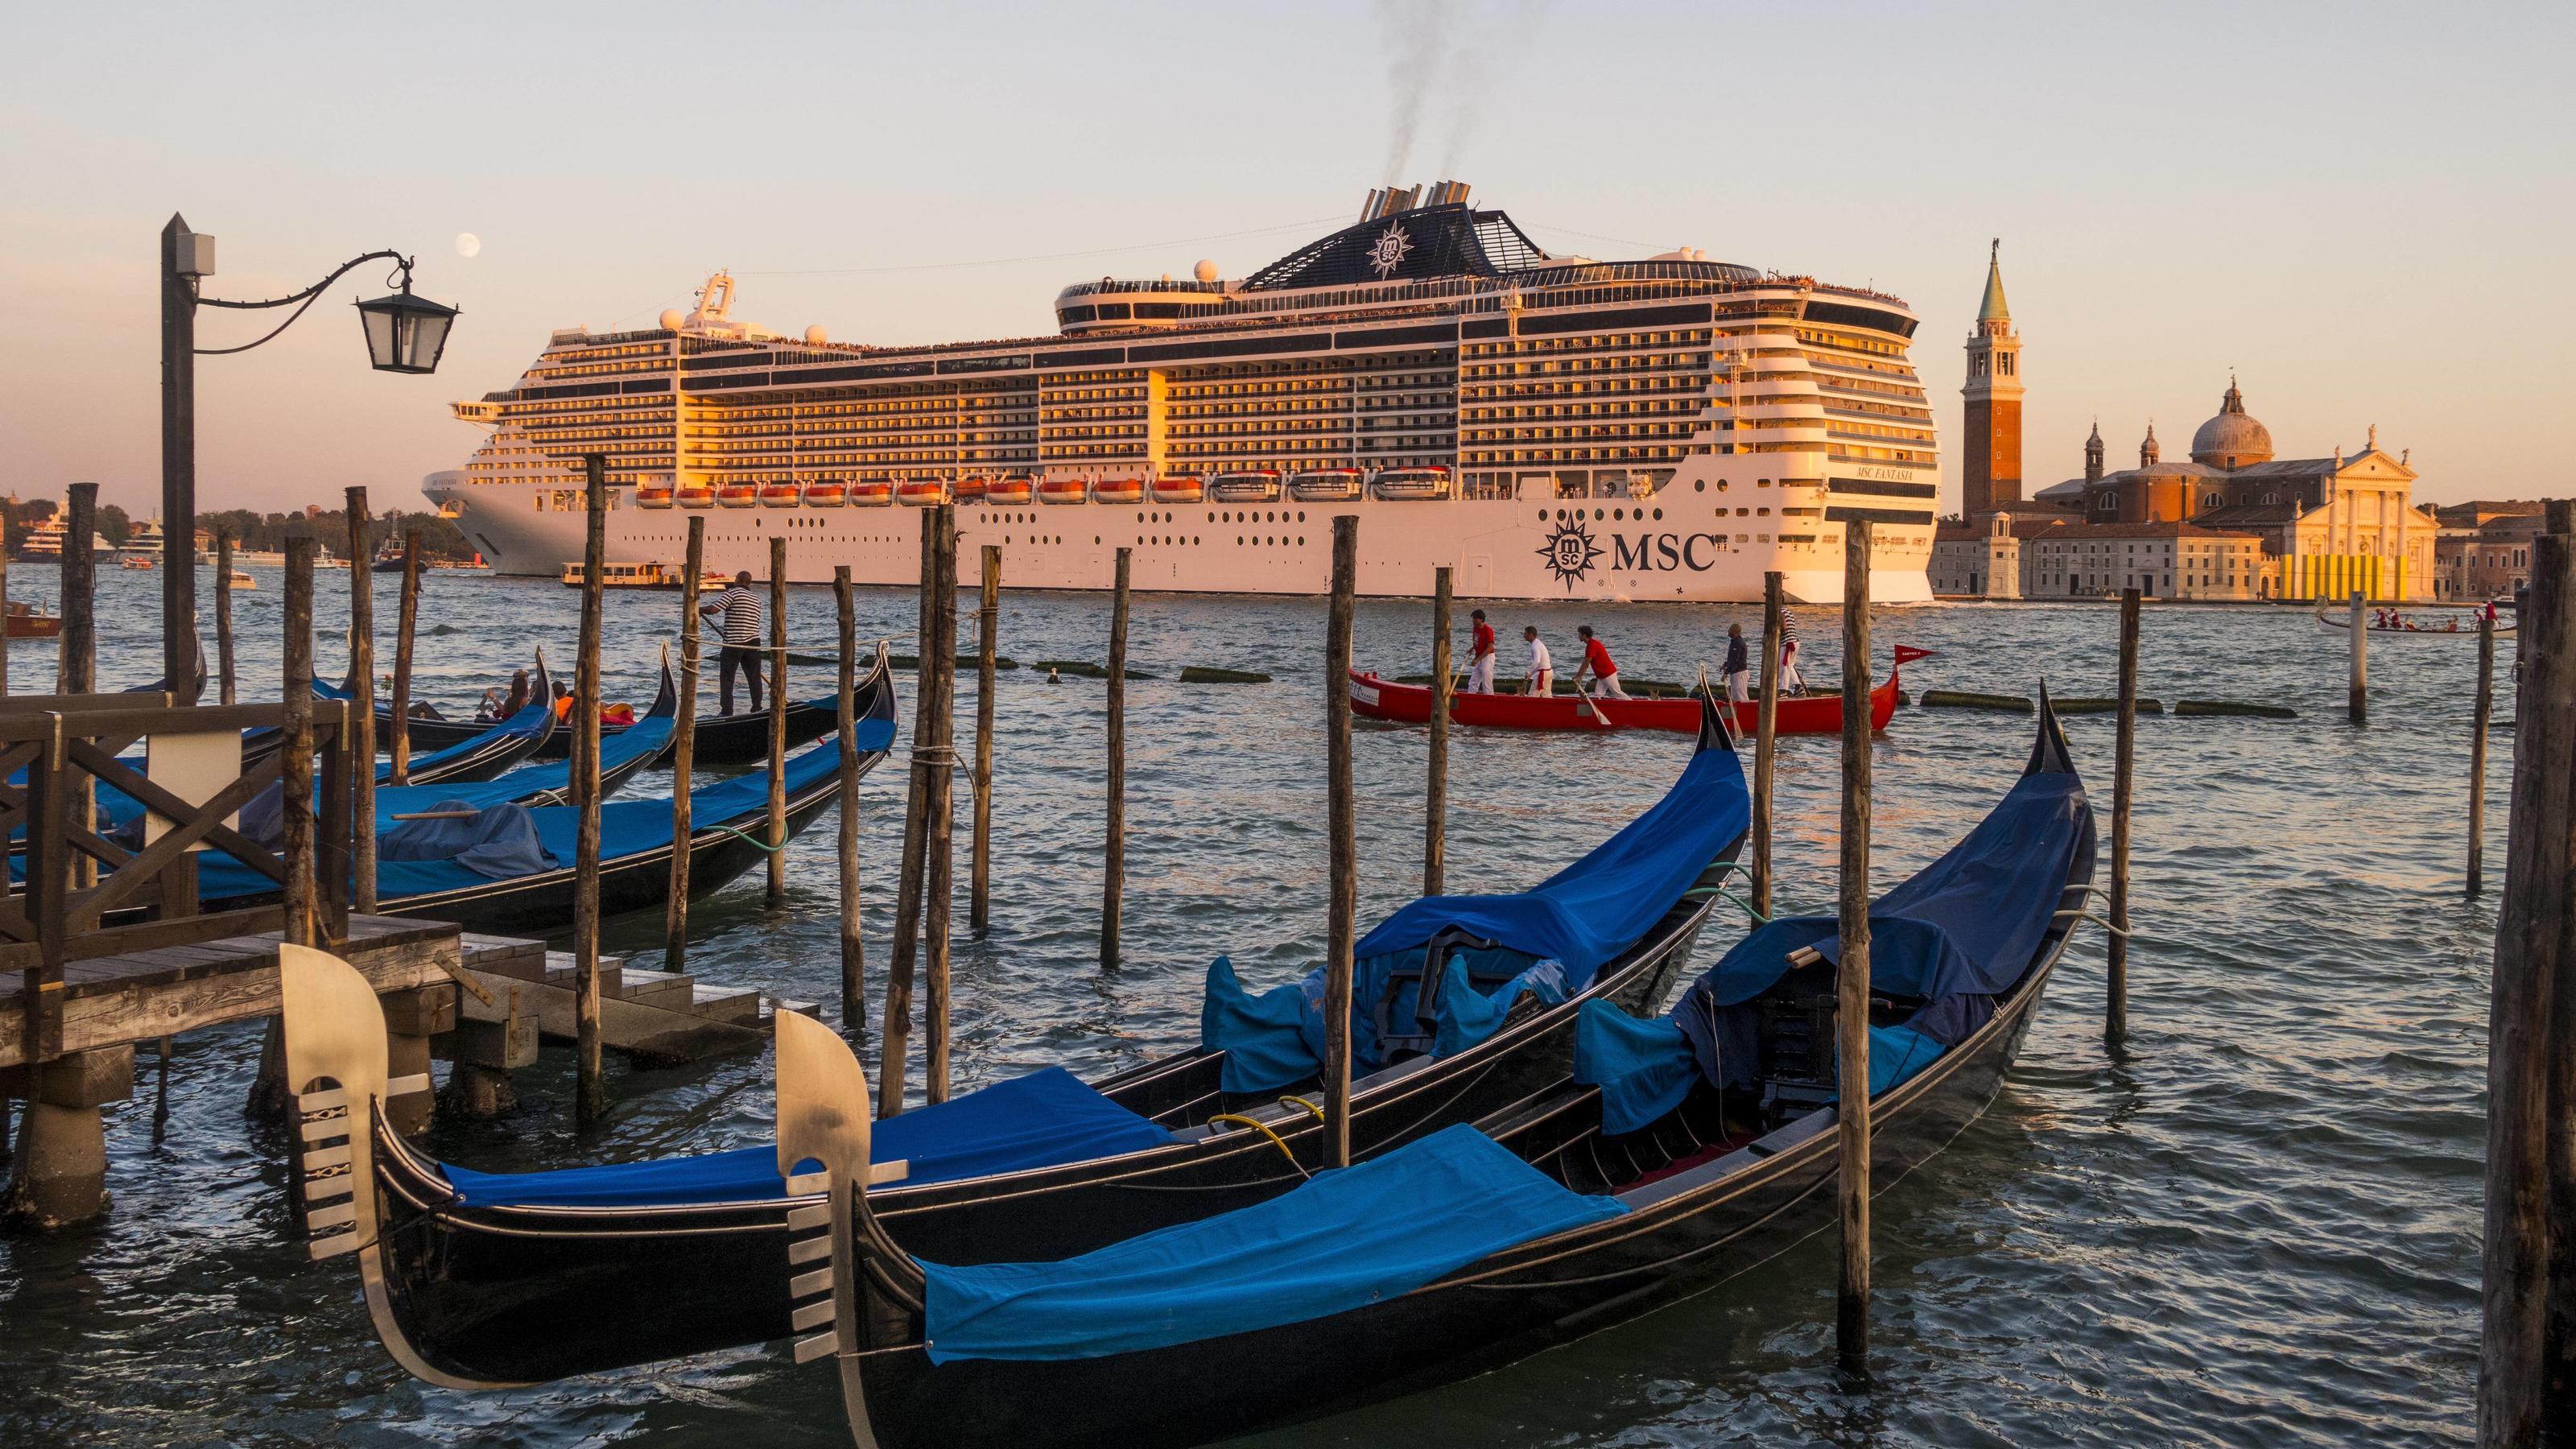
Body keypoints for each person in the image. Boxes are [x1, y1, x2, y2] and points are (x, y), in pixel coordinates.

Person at [701, 570, 766, 715]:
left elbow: (713, 610)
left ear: (737, 580)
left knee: (727, 677)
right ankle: (757, 707)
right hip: (754, 642)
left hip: (734, 643)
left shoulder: (732, 593)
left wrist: (696, 609)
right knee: (754, 677)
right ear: (749, 583)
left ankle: (727, 710)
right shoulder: (756, 598)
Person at [1571, 625, 1627, 698]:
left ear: (1584, 635)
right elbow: (1585, 662)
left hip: (1608, 673)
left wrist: (1579, 677)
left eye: (1579, 634)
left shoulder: (1592, 645)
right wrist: (1578, 676)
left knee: (1618, 693)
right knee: (1598, 695)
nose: (1578, 636)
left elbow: (1586, 664)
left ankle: (1633, 706)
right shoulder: (1591, 644)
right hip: (1602, 675)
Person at [1463, 609, 1497, 694]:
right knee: (1473, 680)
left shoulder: (1488, 630)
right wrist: (1471, 649)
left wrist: (1477, 660)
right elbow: (1477, 642)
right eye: (1473, 618)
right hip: (1479, 656)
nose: (1473, 620)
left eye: (1475, 618)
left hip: (1487, 657)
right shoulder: (1475, 628)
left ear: (1481, 619)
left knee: (1486, 681)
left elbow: (1490, 647)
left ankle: (1489, 699)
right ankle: (1470, 697)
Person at [1778, 606, 1806, 694]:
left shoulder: (1780, 611)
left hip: (1788, 643)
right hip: (1795, 642)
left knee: (1784, 667)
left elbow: (1783, 627)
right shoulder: (1788, 611)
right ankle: (1798, 687)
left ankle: (1783, 691)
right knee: (1789, 666)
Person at [1722, 623, 1751, 704]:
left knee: (1740, 698)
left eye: (1730, 629)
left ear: (1734, 631)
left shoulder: (1738, 643)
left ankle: (1744, 713)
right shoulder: (1734, 642)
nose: (1728, 630)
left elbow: (1735, 660)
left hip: (1739, 674)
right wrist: (1726, 664)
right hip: (1735, 673)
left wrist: (1726, 673)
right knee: (1735, 697)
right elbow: (1732, 658)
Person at [1522, 625, 1554, 697]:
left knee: (1532, 695)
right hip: (1549, 672)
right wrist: (1531, 674)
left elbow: (1537, 661)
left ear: (1531, 634)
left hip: (1542, 674)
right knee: (1546, 696)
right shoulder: (1537, 643)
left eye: (1526, 634)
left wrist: (1529, 672)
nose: (1524, 636)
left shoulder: (1535, 646)